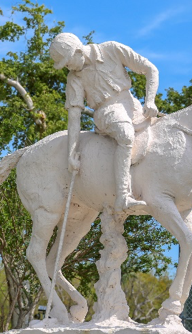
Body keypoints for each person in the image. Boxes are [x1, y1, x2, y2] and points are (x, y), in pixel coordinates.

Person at [49, 33, 160, 211]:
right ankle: (123, 196)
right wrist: (71, 154)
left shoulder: (111, 49)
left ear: (78, 51)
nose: (67, 67)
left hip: (131, 104)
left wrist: (150, 101)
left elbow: (150, 69)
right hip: (105, 110)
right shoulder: (74, 77)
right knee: (125, 135)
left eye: (68, 62)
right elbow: (74, 117)